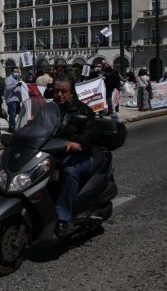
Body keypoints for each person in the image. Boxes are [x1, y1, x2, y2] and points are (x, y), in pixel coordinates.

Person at [52, 73, 95, 238]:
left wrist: (78, 142)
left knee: (69, 173)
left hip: (79, 155)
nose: (60, 95)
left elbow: (90, 132)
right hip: (55, 154)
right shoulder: (50, 109)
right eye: (56, 91)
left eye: (63, 91)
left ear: (71, 92)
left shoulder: (83, 110)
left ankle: (62, 218)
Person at [4, 66, 23, 132]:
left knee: (19, 114)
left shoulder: (17, 78)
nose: (16, 73)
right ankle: (12, 128)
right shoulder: (9, 78)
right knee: (12, 114)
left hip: (17, 99)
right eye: (15, 72)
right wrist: (16, 85)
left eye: (17, 72)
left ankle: (14, 127)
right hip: (11, 99)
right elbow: (8, 88)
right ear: (12, 72)